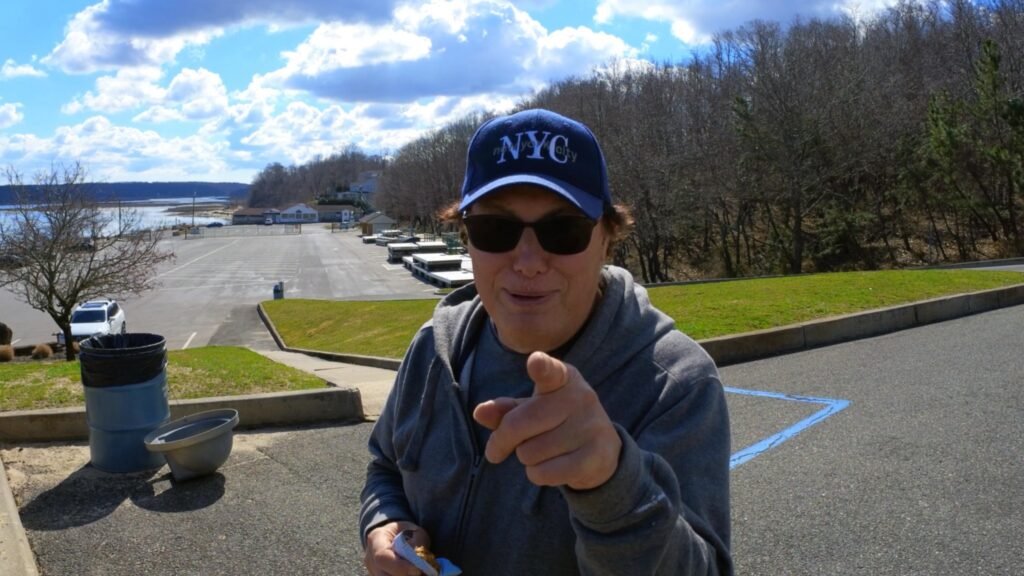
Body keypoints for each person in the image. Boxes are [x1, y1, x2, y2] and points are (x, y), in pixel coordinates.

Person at [360, 108, 732, 575]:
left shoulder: (675, 384)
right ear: (467, 238)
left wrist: (613, 486)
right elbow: (385, 467)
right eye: (495, 230)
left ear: (607, 239)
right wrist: (384, 522)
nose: (529, 262)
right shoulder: (433, 348)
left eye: (564, 230)